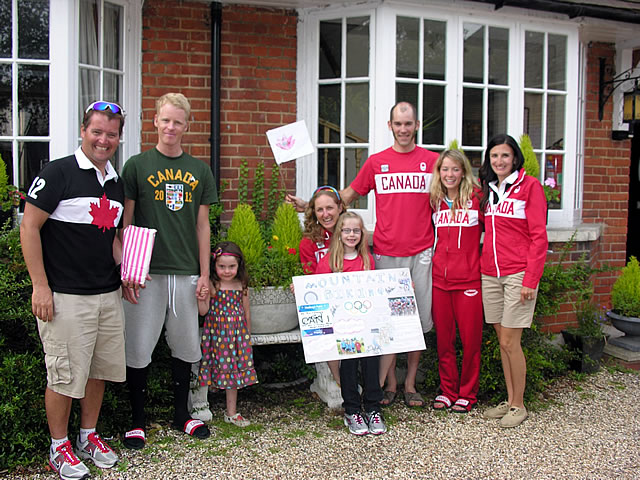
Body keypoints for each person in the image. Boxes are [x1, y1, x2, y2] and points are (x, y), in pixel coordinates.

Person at [21, 101, 127, 479]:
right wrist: (40, 286)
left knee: (97, 371)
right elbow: (29, 227)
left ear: (119, 138)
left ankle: (88, 436)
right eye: (97, 131)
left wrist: (127, 272)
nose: (103, 140)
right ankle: (58, 447)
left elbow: (111, 238)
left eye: (111, 134)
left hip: (106, 294)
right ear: (83, 131)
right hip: (65, 295)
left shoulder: (115, 182)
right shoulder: (59, 172)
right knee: (64, 376)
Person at [120, 93, 217, 448]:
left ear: (186, 126)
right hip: (145, 273)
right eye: (165, 120)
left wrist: (205, 273)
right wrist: (127, 270)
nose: (170, 127)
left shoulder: (199, 170)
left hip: (185, 271)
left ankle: (182, 415)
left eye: (178, 122)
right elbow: (125, 222)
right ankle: (137, 420)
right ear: (155, 122)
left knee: (185, 346)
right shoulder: (137, 166)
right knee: (138, 348)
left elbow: (203, 225)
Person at [478, 134, 548, 428]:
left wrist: (531, 279)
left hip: (518, 274)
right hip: (490, 273)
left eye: (505, 156)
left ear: (515, 158)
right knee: (502, 342)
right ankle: (509, 399)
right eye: (494, 156)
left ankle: (519, 404)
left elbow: (539, 237)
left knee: (510, 341)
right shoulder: (488, 189)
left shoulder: (529, 187)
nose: (499, 161)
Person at [315, 212, 386, 435]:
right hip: (343, 328)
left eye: (356, 230)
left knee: (371, 362)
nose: (351, 234)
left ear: (362, 233)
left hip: (366, 325)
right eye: (346, 230)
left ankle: (373, 408)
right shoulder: (330, 261)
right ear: (339, 233)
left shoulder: (366, 259)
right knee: (348, 366)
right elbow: (317, 288)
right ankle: (352, 409)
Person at [429, 149, 484, 413]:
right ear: (439, 172)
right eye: (445, 169)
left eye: (455, 169)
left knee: (471, 341)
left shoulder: (477, 200)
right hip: (440, 281)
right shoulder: (434, 201)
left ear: (464, 172)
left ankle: (468, 393)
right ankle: (448, 390)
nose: (449, 174)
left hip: (469, 281)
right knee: (444, 341)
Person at [198, 241, 257, 427]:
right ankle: (199, 408)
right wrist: (201, 298)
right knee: (211, 368)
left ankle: (231, 412)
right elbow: (203, 311)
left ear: (239, 266)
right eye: (222, 266)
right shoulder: (213, 284)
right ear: (214, 265)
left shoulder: (242, 284)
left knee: (233, 374)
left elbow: (246, 311)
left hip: (237, 337)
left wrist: (247, 335)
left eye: (231, 266)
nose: (227, 271)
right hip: (217, 336)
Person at [299, 185, 345, 385]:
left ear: (340, 207)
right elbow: (309, 277)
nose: (326, 214)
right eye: (320, 210)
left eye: (330, 208)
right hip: (325, 303)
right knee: (325, 325)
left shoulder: (351, 233)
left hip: (349, 300)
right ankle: (340, 382)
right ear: (314, 213)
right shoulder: (308, 242)